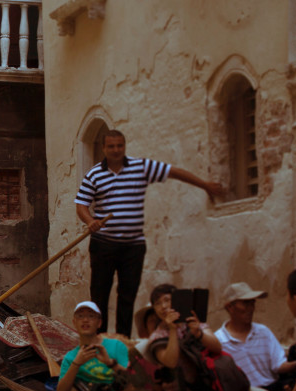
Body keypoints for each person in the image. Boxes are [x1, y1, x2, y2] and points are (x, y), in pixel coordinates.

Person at [75, 129, 225, 335]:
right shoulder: (94, 174)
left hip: (133, 246)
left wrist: (205, 185)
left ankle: (122, 341)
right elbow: (81, 205)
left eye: (120, 145)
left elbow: (175, 172)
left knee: (127, 296)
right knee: (99, 296)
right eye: (111, 146)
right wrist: (90, 220)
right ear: (104, 148)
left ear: (124, 146)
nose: (116, 150)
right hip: (104, 244)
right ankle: (98, 341)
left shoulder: (141, 167)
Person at [143, 283, 226, 391]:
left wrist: (198, 333)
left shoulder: (194, 322)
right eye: (158, 303)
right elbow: (171, 362)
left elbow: (217, 348)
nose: (163, 306)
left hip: (211, 382)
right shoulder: (157, 337)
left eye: (167, 300)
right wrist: (172, 330)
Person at [214, 282, 296, 390]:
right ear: (230, 307)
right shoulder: (219, 341)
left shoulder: (263, 332)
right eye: (245, 303)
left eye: (252, 303)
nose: (251, 308)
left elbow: (278, 365)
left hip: (272, 388)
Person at [57, 301, 130, 391]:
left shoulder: (117, 346)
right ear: (74, 323)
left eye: (91, 316)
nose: (85, 320)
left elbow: (133, 382)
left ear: (99, 323)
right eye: (80, 316)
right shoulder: (70, 357)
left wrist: (110, 363)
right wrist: (76, 364)